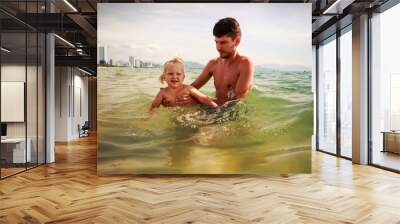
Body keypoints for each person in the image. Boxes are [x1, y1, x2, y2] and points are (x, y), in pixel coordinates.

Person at [176, 17, 254, 106]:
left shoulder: (245, 64)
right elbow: (192, 87)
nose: (218, 47)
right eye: (216, 42)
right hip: (213, 107)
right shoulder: (213, 64)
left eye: (223, 43)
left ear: (236, 41)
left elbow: (236, 103)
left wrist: (199, 100)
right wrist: (174, 95)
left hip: (231, 114)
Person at [150, 57, 218, 112]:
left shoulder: (189, 89)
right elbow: (154, 107)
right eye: (170, 74)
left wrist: (216, 109)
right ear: (164, 77)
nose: (174, 76)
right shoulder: (162, 93)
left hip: (191, 116)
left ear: (183, 77)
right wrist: (150, 117)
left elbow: (204, 99)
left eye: (178, 74)